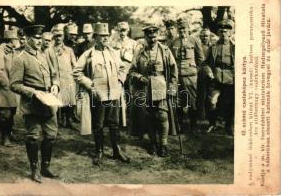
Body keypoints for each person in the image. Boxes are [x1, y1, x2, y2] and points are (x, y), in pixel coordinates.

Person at [73, 22, 130, 165]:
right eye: (101, 36)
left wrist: (120, 81)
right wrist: (89, 84)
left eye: (106, 36)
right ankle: (99, 151)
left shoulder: (113, 52)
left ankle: (117, 150)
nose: (105, 38)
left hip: (113, 94)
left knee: (114, 124)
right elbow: (76, 72)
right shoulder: (89, 54)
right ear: (95, 37)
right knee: (98, 124)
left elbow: (123, 68)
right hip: (98, 95)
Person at [10, 25, 60, 183]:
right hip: (32, 103)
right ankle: (35, 169)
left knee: (51, 135)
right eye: (36, 38)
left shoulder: (45, 55)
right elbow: (14, 84)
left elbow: (54, 74)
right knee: (33, 137)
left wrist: (55, 85)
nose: (39, 41)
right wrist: (33, 92)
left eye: (40, 38)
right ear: (29, 39)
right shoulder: (21, 59)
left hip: (48, 101)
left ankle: (46, 167)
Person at [129, 24, 178, 157]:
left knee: (162, 116)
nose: (152, 40)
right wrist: (139, 76)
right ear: (145, 37)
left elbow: (174, 71)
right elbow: (132, 71)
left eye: (154, 37)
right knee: (149, 117)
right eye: (149, 37)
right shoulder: (139, 52)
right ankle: (153, 143)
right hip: (145, 89)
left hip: (161, 87)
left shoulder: (165, 51)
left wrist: (172, 88)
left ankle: (163, 144)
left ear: (157, 36)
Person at [169, 17, 204, 133]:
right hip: (177, 76)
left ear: (188, 28)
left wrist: (195, 71)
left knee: (192, 102)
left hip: (190, 76)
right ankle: (180, 126)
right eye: (180, 28)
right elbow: (170, 59)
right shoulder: (174, 42)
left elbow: (200, 59)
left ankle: (193, 127)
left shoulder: (194, 40)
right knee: (178, 101)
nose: (182, 31)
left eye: (184, 28)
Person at [203, 19, 235, 135]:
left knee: (228, 103)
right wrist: (209, 72)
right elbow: (205, 63)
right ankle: (212, 124)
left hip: (230, 79)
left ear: (231, 32)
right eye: (221, 31)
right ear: (218, 32)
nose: (223, 33)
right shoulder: (213, 46)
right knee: (212, 101)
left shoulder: (235, 47)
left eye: (226, 31)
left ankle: (228, 125)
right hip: (215, 77)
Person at [0, 30, 19, 146]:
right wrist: (7, 83)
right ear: (11, 40)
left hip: (10, 90)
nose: (16, 41)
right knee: (4, 115)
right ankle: (5, 138)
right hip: (3, 90)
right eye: (15, 39)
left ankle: (9, 134)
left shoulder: (11, 52)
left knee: (11, 113)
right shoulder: (0, 52)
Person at [46, 24, 77, 129]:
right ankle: (57, 122)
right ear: (53, 37)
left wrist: (74, 76)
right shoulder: (49, 50)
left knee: (68, 101)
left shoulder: (69, 50)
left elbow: (75, 65)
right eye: (56, 36)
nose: (58, 38)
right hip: (56, 80)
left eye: (60, 36)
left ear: (63, 36)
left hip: (68, 79)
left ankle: (68, 120)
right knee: (57, 101)